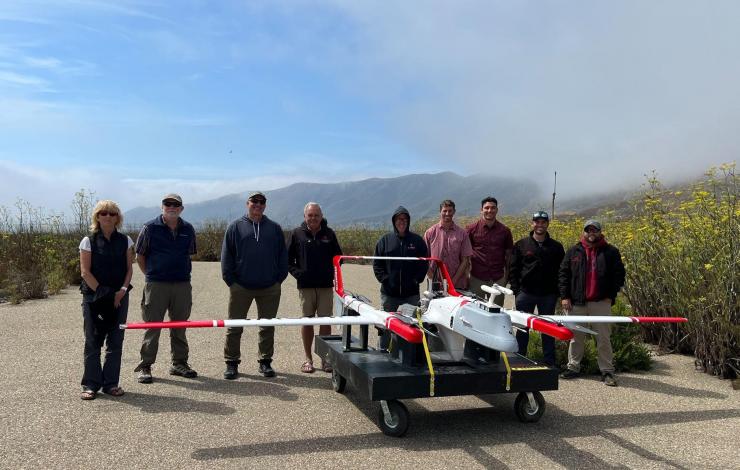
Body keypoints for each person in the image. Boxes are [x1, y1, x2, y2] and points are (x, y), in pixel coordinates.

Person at [221, 191, 288, 379]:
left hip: (269, 287)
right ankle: (231, 362)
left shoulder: (274, 228)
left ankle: (265, 362)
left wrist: (278, 280)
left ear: (265, 205)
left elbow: (283, 256)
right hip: (241, 286)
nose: (258, 204)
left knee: (267, 326)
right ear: (247, 204)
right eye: (254, 201)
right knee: (235, 326)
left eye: (261, 202)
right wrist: (232, 282)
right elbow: (227, 257)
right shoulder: (235, 227)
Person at [134, 193, 198, 383]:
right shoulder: (150, 228)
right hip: (156, 284)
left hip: (182, 284)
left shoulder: (188, 228)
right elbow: (140, 256)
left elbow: (189, 254)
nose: (171, 207)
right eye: (167, 204)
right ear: (162, 206)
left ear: (181, 208)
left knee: (180, 325)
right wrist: (151, 276)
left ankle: (179, 363)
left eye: (176, 204)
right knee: (153, 326)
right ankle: (145, 366)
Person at [559, 219, 626, 387]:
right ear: (584, 232)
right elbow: (563, 274)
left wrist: (610, 295)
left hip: (600, 302)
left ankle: (607, 371)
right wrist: (565, 296)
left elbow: (619, 275)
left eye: (594, 230)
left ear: (600, 232)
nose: (591, 233)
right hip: (577, 302)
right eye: (588, 230)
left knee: (603, 338)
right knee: (575, 337)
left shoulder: (610, 252)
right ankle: (573, 367)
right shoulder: (574, 251)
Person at [79, 200, 134, 400]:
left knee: (116, 340)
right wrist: (105, 295)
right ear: (97, 216)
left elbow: (129, 269)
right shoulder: (88, 241)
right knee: (93, 340)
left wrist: (121, 291)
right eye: (103, 213)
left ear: (117, 217)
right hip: (94, 297)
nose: (108, 216)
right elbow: (85, 272)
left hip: (120, 296)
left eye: (112, 213)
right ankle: (91, 384)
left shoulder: (126, 240)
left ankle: (111, 383)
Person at [288, 202, 342, 374]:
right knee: (307, 321)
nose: (313, 218)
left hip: (326, 286)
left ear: (321, 216)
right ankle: (308, 359)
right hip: (306, 287)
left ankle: (325, 360)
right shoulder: (297, 234)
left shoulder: (329, 234)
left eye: (316, 215)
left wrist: (331, 274)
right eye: (310, 215)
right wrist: (299, 274)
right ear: (305, 216)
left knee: (325, 322)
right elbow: (288, 260)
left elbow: (339, 258)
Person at [509, 211, 564, 366]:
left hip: (548, 295)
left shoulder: (556, 247)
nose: (540, 225)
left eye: (543, 222)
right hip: (526, 293)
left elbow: (562, 271)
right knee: (522, 328)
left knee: (548, 329)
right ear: (532, 223)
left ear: (548, 224)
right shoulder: (521, 244)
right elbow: (513, 269)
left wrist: (558, 292)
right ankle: (520, 359)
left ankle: (549, 361)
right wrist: (516, 290)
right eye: (537, 222)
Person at [373, 206, 429, 312]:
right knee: (388, 326)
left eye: (404, 219)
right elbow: (377, 263)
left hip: (411, 295)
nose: (402, 222)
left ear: (408, 221)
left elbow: (424, 263)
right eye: (399, 219)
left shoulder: (417, 241)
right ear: (394, 221)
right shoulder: (384, 241)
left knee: (411, 326)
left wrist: (417, 280)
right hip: (389, 295)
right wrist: (385, 279)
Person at [466, 196, 513, 306]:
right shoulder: (471, 229)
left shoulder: (505, 231)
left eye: (493, 208)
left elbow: (509, 256)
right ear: (481, 210)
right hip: (477, 277)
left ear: (497, 210)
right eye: (486, 208)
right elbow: (465, 255)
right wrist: (466, 275)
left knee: (496, 311)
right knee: (475, 309)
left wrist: (506, 278)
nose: (489, 210)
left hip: (498, 278)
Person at [424, 199, 473, 290]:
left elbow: (465, 260)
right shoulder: (430, 233)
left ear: (454, 212)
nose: (447, 213)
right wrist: (432, 277)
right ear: (440, 212)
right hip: (435, 284)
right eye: (444, 211)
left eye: (450, 211)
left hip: (457, 284)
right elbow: (425, 258)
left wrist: (453, 282)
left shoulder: (462, 234)